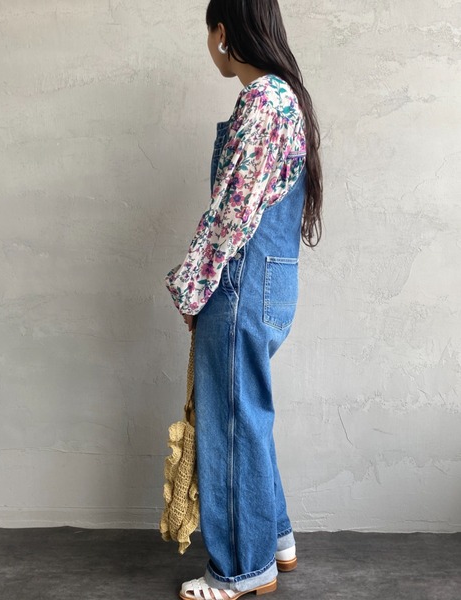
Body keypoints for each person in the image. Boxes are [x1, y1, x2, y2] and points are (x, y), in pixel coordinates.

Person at [164, 1, 323, 598]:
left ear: (224, 33)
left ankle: (240, 570)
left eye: (209, 33)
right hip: (270, 280)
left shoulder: (261, 102)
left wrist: (191, 286)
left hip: (239, 281)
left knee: (230, 422)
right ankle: (275, 537)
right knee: (247, 413)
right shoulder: (287, 99)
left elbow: (231, 215)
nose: (209, 45)